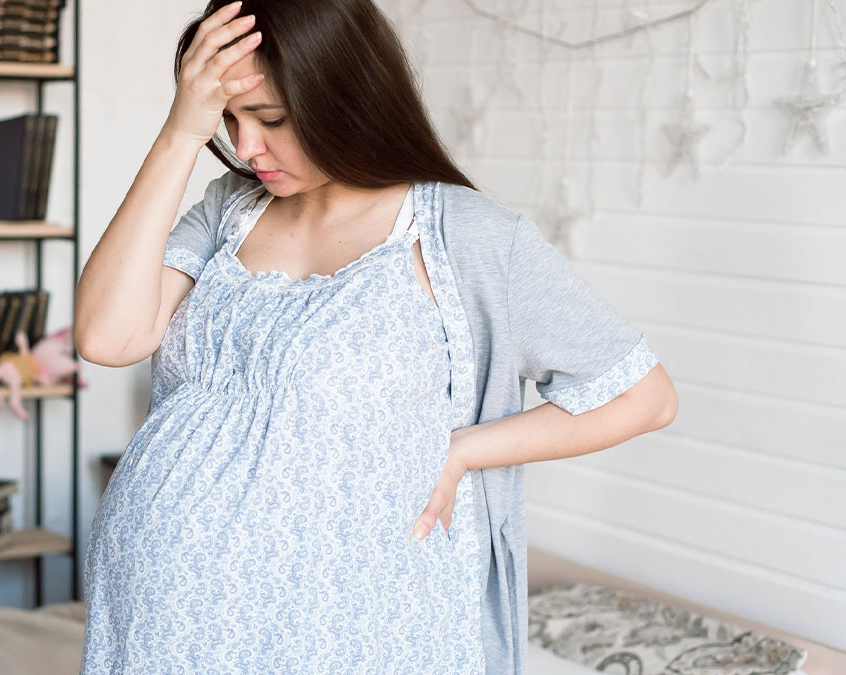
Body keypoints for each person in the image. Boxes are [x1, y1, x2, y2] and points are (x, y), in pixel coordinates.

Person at [73, 0, 679, 672]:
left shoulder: (467, 236)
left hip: (349, 627)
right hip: (166, 619)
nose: (247, 147)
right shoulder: (230, 209)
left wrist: (464, 450)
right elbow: (106, 334)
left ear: (343, 94)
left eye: (270, 119)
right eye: (229, 118)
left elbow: (643, 395)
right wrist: (177, 137)